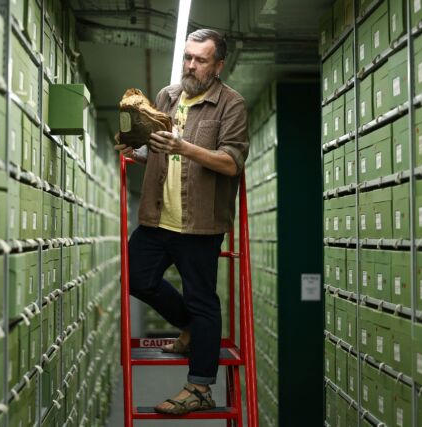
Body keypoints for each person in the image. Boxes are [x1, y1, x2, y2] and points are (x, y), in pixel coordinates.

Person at [114, 28, 249, 415]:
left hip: (200, 222)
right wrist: (137, 150)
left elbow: (231, 161)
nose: (190, 64)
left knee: (202, 297)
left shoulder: (231, 105)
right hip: (158, 216)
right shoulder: (168, 97)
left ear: (218, 65)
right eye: (187, 56)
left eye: (200, 59)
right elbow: (162, 153)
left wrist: (183, 145)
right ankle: (191, 327)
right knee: (136, 277)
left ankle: (200, 387)